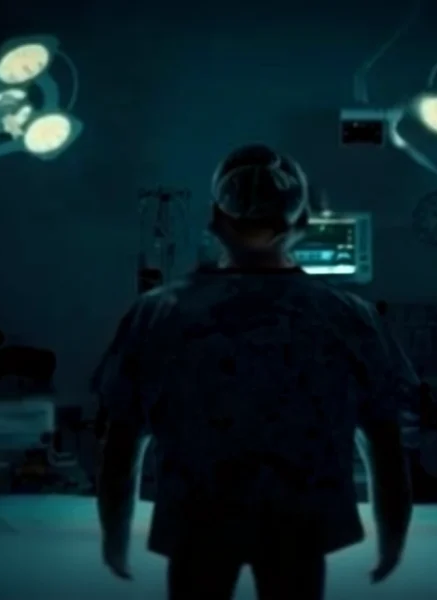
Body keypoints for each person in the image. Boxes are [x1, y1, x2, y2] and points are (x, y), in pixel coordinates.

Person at [92, 143, 420, 600]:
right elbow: (384, 443)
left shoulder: (158, 314)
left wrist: (114, 533)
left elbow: (122, 440)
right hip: (300, 525)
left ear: (214, 218)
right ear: (301, 222)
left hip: (197, 522)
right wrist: (393, 535)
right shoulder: (349, 317)